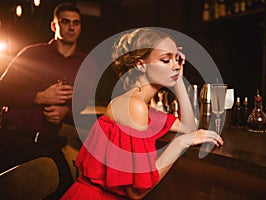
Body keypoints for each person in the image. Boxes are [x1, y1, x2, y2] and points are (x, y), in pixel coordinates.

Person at [61, 27, 223, 200]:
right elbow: (136, 192)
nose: (175, 65)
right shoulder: (134, 107)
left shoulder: (139, 105)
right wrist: (180, 143)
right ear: (140, 64)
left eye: (177, 59)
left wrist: (179, 82)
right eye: (166, 60)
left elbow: (188, 127)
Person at [0, 3, 86, 199]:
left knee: (66, 193)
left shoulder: (86, 63)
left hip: (48, 145)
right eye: (65, 22)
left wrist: (65, 112)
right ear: (54, 26)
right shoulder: (31, 53)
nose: (71, 27)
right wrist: (38, 97)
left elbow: (86, 106)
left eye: (76, 23)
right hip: (11, 142)